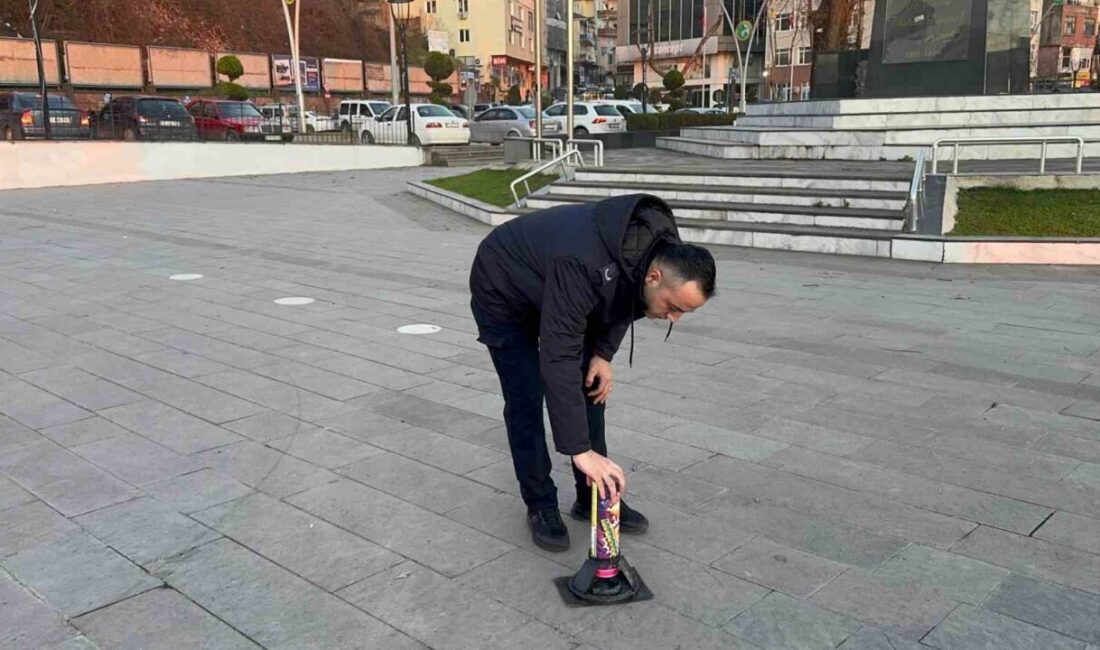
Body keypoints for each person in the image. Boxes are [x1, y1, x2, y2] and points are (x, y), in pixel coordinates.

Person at [468, 194, 716, 551]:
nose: (674, 318)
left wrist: (602, 353)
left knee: (591, 385)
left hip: (561, 283)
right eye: (674, 307)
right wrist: (579, 450)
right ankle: (540, 504)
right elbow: (558, 356)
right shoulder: (582, 262)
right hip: (505, 287)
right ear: (655, 276)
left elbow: (627, 292)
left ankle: (591, 498)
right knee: (526, 397)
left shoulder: (658, 251)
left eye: (684, 313)